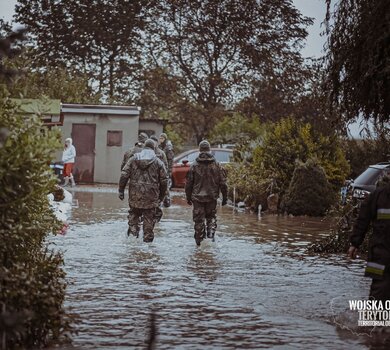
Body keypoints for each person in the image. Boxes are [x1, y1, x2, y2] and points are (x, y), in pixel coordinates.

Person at [348, 174, 390, 302]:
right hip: (381, 254)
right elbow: (362, 220)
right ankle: (373, 320)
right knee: (379, 294)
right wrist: (355, 243)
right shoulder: (377, 196)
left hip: (380, 252)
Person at [118, 139, 168, 242]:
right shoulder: (158, 162)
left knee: (133, 217)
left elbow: (124, 175)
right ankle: (147, 250)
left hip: (135, 196)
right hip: (151, 197)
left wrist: (121, 190)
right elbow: (164, 181)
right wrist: (161, 197)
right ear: (154, 149)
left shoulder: (133, 159)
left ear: (143, 148)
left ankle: (132, 241)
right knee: (149, 221)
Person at [185, 140, 228, 246]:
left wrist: (188, 197)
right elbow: (223, 184)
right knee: (211, 218)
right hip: (212, 197)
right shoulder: (217, 165)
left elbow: (188, 184)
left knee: (199, 221)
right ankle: (210, 240)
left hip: (197, 199)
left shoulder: (194, 165)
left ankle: (199, 246)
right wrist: (225, 198)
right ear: (209, 150)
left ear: (199, 150)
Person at [159, 132, 174, 207]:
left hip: (166, 169)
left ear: (165, 139)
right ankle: (161, 200)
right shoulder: (160, 147)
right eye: (160, 138)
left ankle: (167, 201)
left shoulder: (168, 148)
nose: (160, 140)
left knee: (166, 186)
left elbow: (170, 160)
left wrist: (169, 171)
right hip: (160, 169)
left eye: (162, 138)